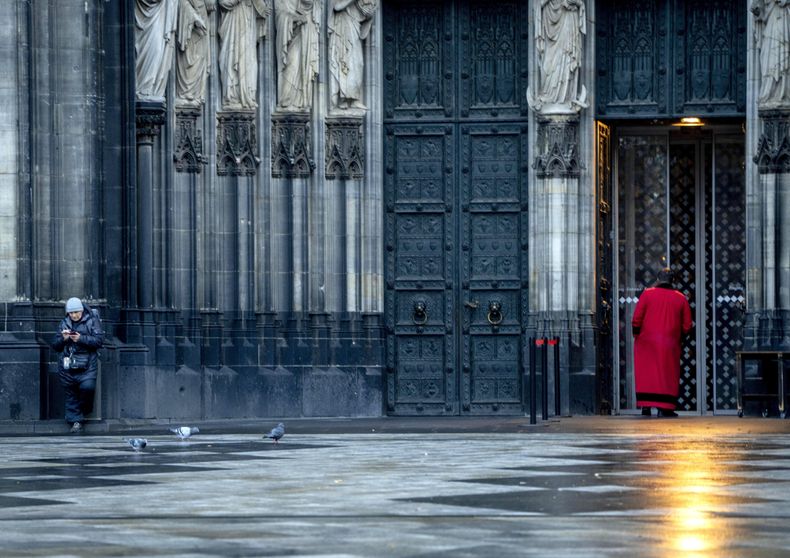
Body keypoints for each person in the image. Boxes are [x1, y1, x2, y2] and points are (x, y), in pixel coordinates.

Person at [632, 268, 693, 417]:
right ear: (673, 281)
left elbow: (636, 319)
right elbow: (687, 325)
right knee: (667, 374)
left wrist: (637, 335)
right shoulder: (681, 298)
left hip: (646, 342)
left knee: (646, 374)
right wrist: (680, 338)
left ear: (658, 279)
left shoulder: (647, 294)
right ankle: (665, 408)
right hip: (670, 343)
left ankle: (645, 406)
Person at [51, 298, 105, 433]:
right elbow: (55, 346)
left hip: (87, 364)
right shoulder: (64, 323)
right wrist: (63, 339)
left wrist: (80, 338)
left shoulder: (92, 320)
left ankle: (84, 410)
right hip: (68, 365)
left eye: (76, 312)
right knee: (71, 393)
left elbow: (99, 341)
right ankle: (76, 422)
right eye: (71, 313)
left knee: (87, 387)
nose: (74, 315)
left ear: (81, 310)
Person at [328, 0, 377, 111]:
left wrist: (369, 16)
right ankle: (343, 99)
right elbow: (336, 7)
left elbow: (363, 15)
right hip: (342, 29)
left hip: (354, 28)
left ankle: (354, 99)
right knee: (345, 60)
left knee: (358, 63)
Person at [275, 0, 321, 111]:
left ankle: (300, 102)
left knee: (303, 68)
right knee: (292, 65)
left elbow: (312, 4)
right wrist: (295, 19)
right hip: (292, 39)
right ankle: (287, 100)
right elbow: (279, 15)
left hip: (306, 35)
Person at [751, 0, 790, 107]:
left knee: (781, 54)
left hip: (782, 19)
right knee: (768, 57)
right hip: (770, 21)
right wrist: (757, 11)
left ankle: (781, 93)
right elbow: (758, 6)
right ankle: (769, 93)